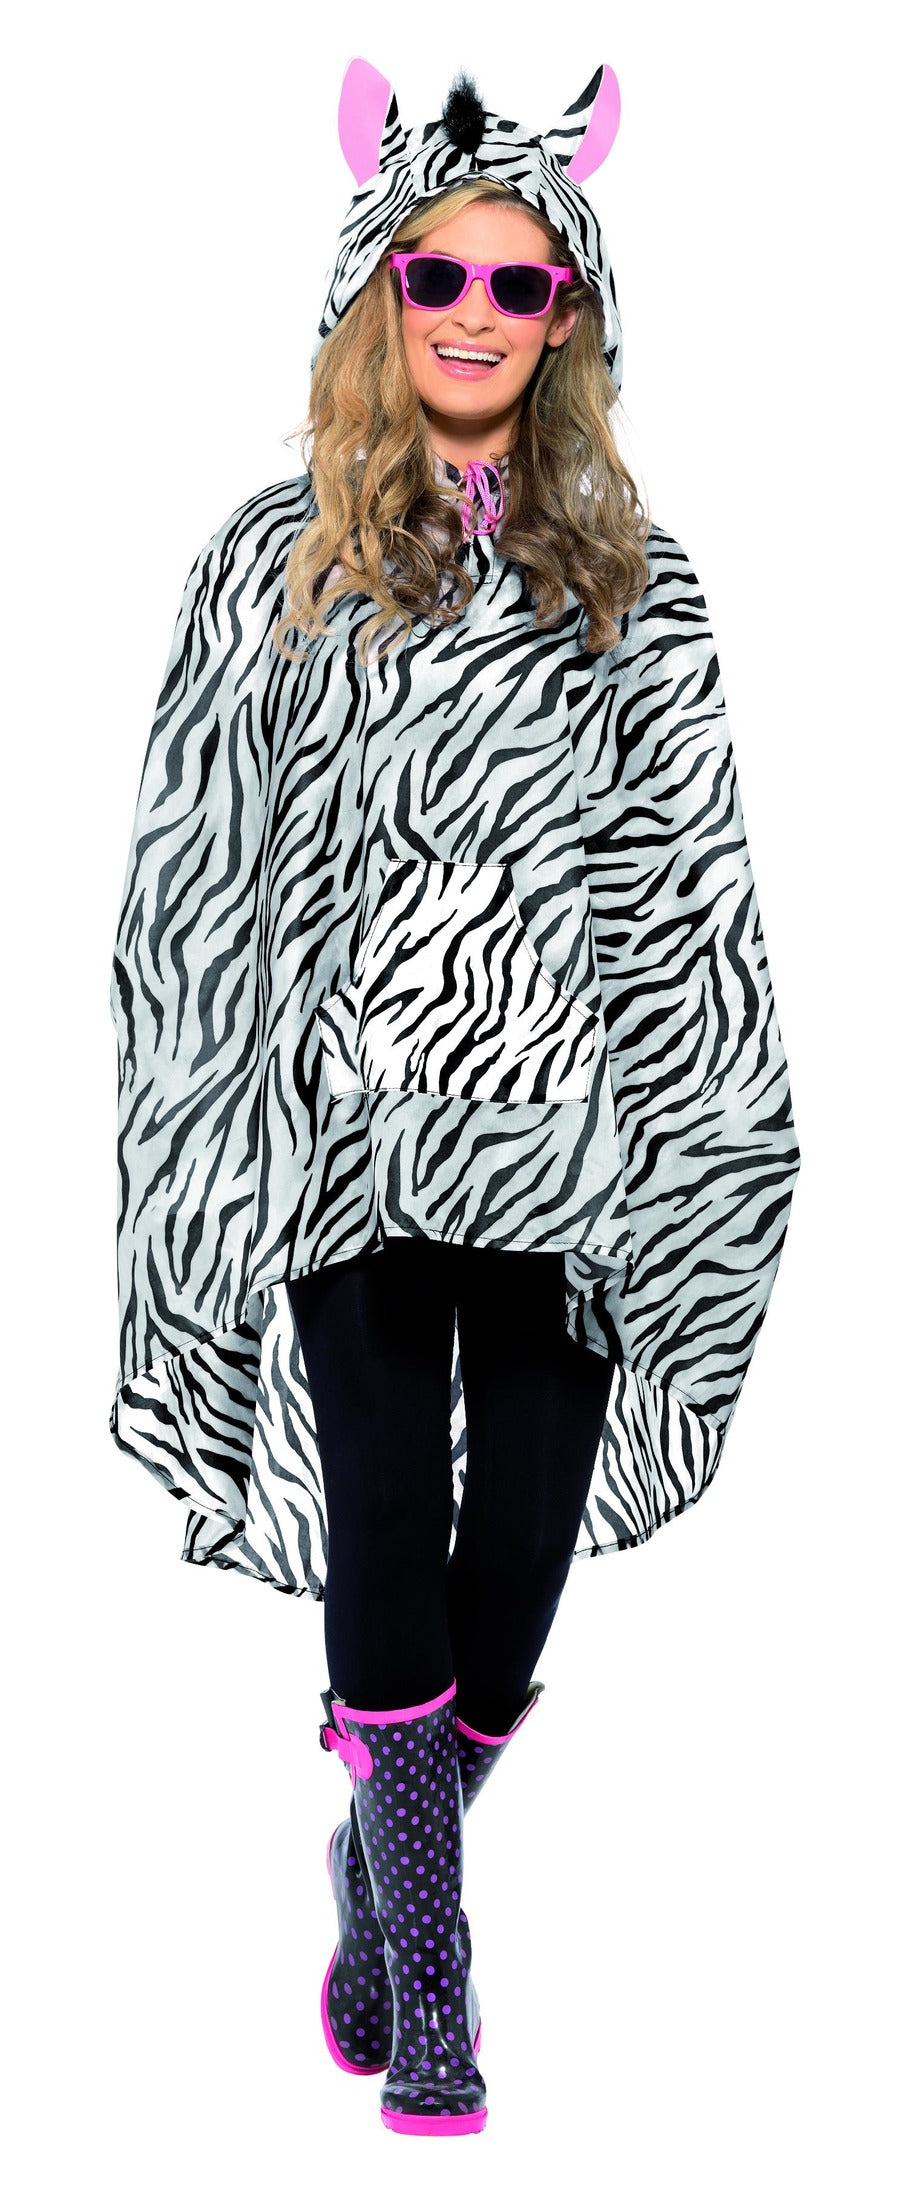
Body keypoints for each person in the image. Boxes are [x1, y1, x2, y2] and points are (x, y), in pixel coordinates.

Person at [108, 59, 801, 2139]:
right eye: (438, 275)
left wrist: (698, 1136)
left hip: (566, 1151)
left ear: (570, 310)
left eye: (519, 280)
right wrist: (208, 1136)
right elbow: (196, 875)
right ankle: (436, 1980)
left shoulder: (635, 587)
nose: (478, 311)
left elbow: (686, 882)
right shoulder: (275, 564)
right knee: (390, 1515)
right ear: (379, 293)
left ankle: (379, 1845)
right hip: (348, 1146)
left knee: (522, 1548)